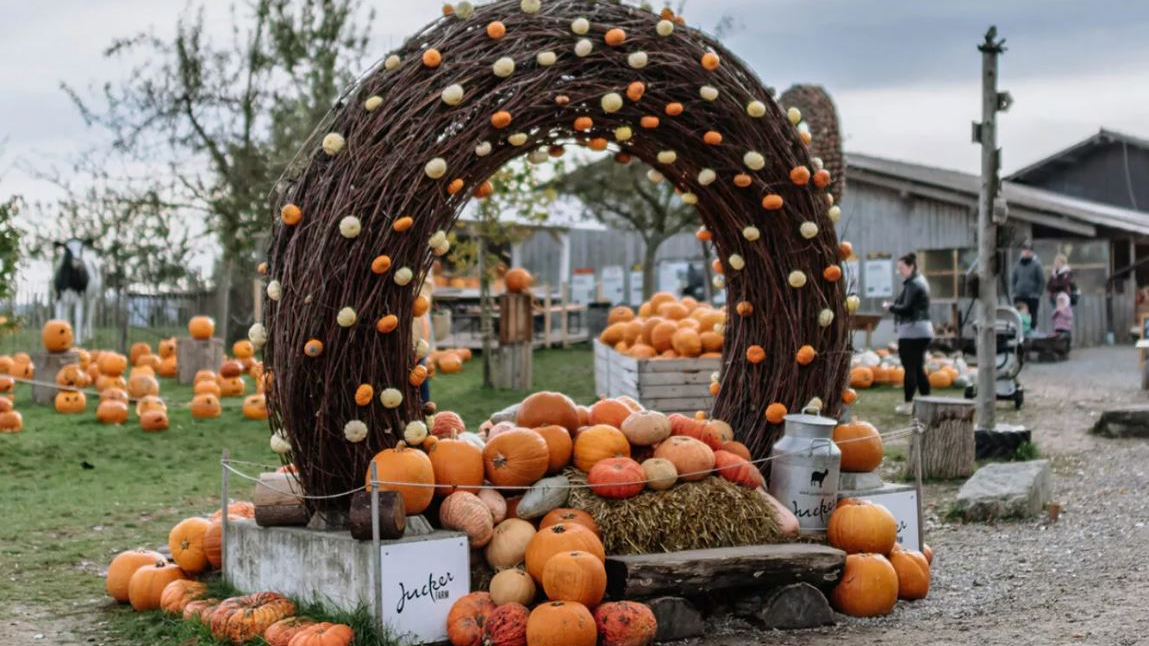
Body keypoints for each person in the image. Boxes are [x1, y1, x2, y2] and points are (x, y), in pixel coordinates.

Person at [884, 253, 934, 415]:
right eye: (898, 269)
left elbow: (906, 309)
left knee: (910, 368)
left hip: (912, 331)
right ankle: (928, 401)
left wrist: (890, 306)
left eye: (902, 268)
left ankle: (908, 404)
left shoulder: (913, 284)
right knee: (918, 367)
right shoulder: (921, 281)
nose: (899, 272)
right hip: (924, 329)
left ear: (911, 266)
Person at [1011, 242, 1045, 322]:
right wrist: (1014, 292)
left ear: (1032, 253)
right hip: (1019, 296)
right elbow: (1013, 280)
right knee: (1019, 318)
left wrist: (1037, 294)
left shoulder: (1037, 265)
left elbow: (1041, 281)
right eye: (1024, 250)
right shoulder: (1017, 265)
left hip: (1032, 297)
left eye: (1028, 251)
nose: (1026, 252)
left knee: (1032, 318)